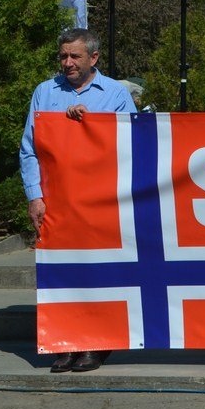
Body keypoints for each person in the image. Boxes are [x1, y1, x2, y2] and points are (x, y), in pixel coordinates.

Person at [20, 28, 137, 374]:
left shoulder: (115, 93)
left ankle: (96, 344)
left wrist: (95, 125)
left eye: (75, 56)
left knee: (99, 273)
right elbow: (29, 150)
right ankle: (66, 341)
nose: (68, 63)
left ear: (94, 58)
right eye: (63, 56)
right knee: (63, 275)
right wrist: (34, 196)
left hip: (102, 203)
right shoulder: (45, 92)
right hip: (58, 203)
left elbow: (134, 141)